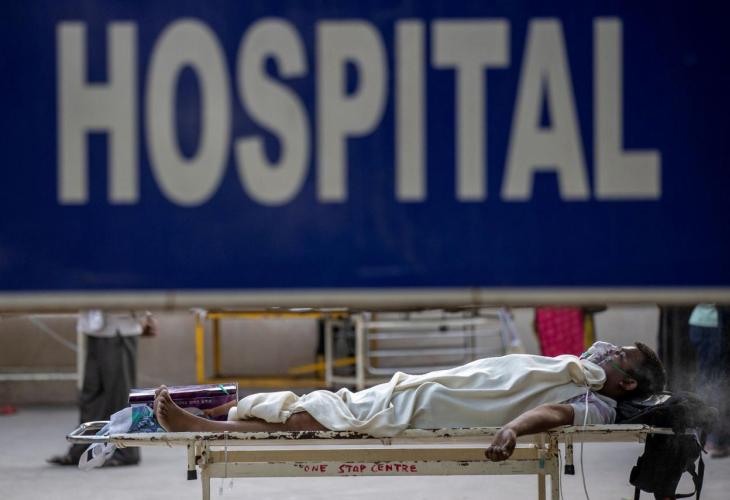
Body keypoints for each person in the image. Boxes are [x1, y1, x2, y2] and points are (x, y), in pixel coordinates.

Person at [153, 341, 665, 461]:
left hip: (436, 407)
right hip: (438, 385)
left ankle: (206, 427)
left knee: (323, 416)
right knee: (333, 402)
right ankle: (223, 411)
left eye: (621, 356)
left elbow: (552, 413)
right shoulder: (584, 368)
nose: (609, 351)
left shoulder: (597, 402)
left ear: (627, 385)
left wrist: (512, 429)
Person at [48, 310, 157, 466]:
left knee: (119, 394)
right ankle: (83, 449)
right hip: (95, 327)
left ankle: (126, 451)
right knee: (91, 393)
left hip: (119, 329)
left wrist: (146, 315)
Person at [689, 304, 730, 458]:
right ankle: (715, 439)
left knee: (708, 378)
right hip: (715, 325)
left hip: (701, 320)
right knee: (716, 380)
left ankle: (709, 437)